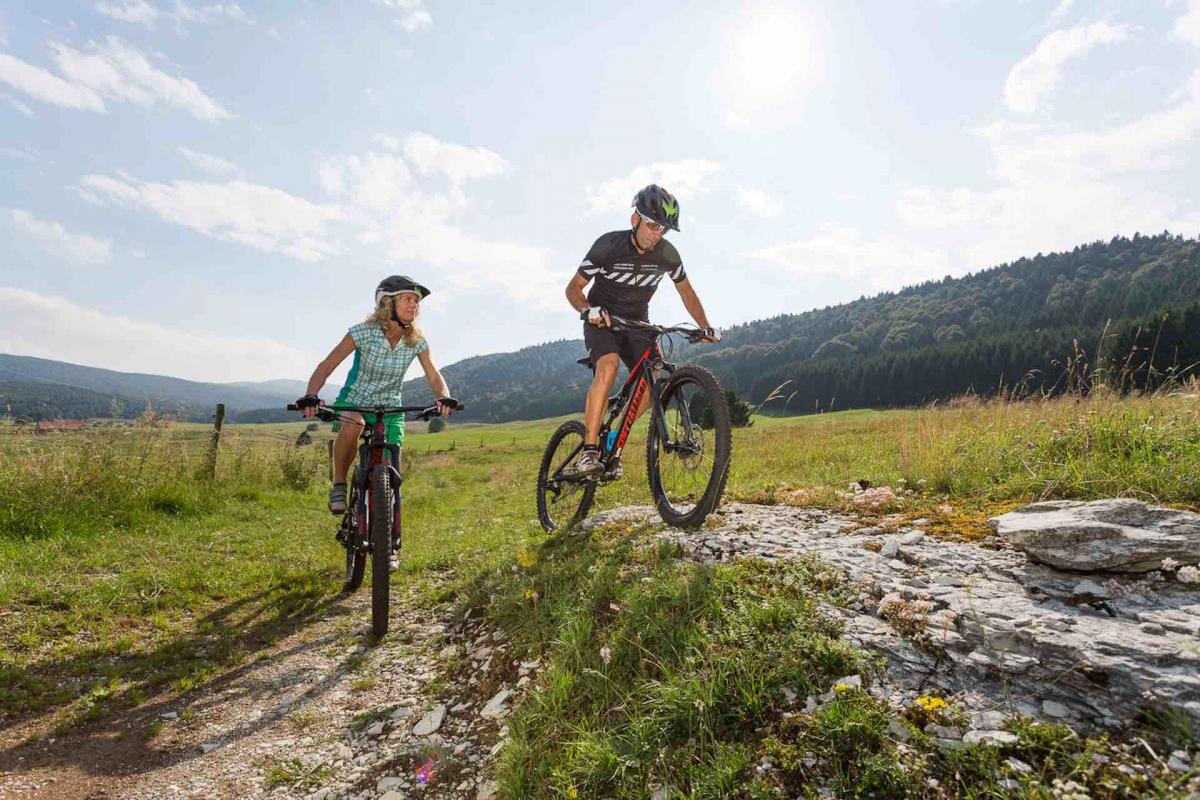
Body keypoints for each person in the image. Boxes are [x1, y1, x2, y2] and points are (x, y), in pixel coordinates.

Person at [562, 184, 720, 480]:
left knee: (654, 380)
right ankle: (589, 451)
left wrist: (704, 326)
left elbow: (687, 292)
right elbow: (573, 289)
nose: (657, 234)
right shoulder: (608, 246)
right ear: (635, 219)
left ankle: (615, 439)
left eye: (664, 229)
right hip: (603, 320)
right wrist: (587, 310)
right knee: (607, 369)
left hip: (638, 323)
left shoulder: (667, 254)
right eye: (653, 225)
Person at [295, 275, 457, 531]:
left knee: (392, 473)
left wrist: (443, 397)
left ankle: (391, 543)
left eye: (416, 301)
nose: (414, 305)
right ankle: (339, 484)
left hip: (390, 407)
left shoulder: (416, 341)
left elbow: (433, 374)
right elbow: (327, 365)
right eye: (407, 299)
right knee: (354, 425)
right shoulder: (363, 333)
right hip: (355, 401)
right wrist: (311, 395)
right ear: (387, 304)